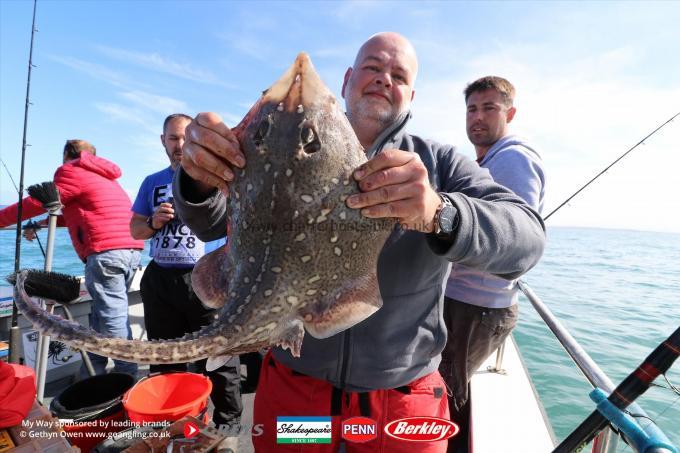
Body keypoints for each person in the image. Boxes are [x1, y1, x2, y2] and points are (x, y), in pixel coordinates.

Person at [173, 33, 546, 453]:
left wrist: (438, 212)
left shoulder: (439, 163)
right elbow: (213, 225)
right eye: (372, 67)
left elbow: (527, 239)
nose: (384, 79)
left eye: (399, 75)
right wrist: (197, 181)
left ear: (411, 94)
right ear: (347, 80)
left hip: (401, 404)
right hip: (300, 399)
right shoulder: (269, 150)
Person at [440, 76, 546, 450]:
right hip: (467, 302)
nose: (477, 118)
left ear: (510, 113)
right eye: (471, 109)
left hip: (477, 307)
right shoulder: (486, 160)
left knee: (446, 396)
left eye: (489, 108)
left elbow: (515, 238)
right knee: (449, 389)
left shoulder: (513, 158)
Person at [129, 113, 242, 440]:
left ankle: (228, 427)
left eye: (185, 137)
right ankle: (173, 423)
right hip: (161, 279)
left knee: (220, 357)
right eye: (173, 138)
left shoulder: (221, 178)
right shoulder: (151, 182)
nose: (179, 145)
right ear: (163, 141)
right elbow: (134, 229)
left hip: (208, 279)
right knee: (164, 358)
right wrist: (152, 222)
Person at [0, 140, 143, 377]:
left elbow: (39, 201)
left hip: (105, 252)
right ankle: (92, 371)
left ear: (68, 154)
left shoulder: (72, 170)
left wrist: (2, 219)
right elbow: (76, 212)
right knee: (102, 314)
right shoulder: (105, 176)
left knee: (111, 318)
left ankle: (127, 377)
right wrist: (40, 224)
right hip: (130, 250)